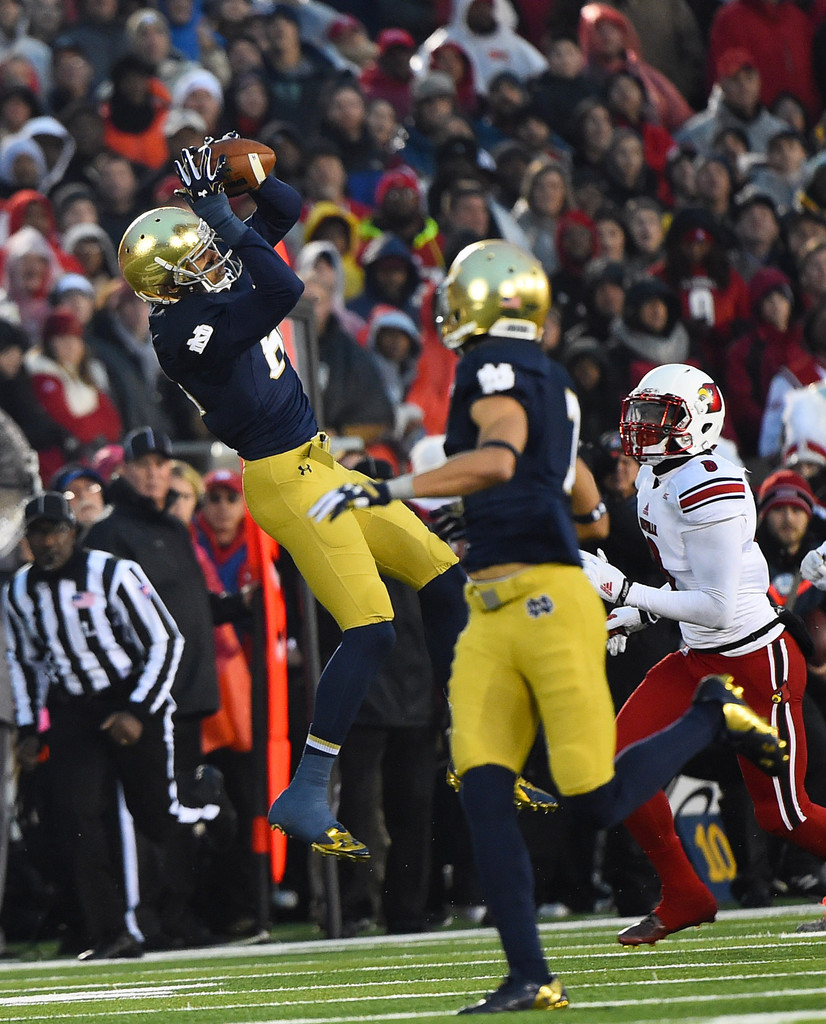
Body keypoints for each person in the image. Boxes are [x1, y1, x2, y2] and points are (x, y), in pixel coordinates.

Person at [308, 240, 786, 1012]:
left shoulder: (492, 370)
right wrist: (548, 515)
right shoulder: (550, 380)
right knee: (486, 790)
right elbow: (578, 489)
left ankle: (708, 716)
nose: (449, 308)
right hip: (498, 601)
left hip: (540, 600)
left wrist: (388, 488)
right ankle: (531, 974)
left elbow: (498, 458)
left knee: (593, 796)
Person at [116, 136, 470, 862]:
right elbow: (284, 290)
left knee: (442, 574)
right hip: (282, 478)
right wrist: (225, 218)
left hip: (319, 462)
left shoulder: (201, 287)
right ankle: (306, 791)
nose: (212, 259)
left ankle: (471, 741)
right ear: (169, 283)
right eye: (197, 257)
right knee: (370, 629)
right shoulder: (183, 332)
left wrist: (231, 183)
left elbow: (286, 206)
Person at [577, 361, 826, 944]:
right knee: (619, 766)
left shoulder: (714, 484)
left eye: (655, 414)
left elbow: (716, 604)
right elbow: (690, 580)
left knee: (783, 815)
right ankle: (684, 890)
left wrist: (624, 591)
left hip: (755, 660)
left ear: (696, 421)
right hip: (699, 656)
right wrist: (639, 613)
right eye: (638, 410)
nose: (640, 426)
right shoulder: (654, 476)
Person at [3, 491, 184, 960]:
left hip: (129, 693)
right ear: (26, 540)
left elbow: (166, 641)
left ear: (73, 533)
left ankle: (208, 802)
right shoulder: (19, 592)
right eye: (37, 533)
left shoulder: (113, 572)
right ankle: (111, 931)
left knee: (156, 817)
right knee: (77, 816)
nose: (47, 542)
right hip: (72, 712)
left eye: (55, 531)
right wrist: (29, 729)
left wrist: (138, 711)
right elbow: (24, 663)